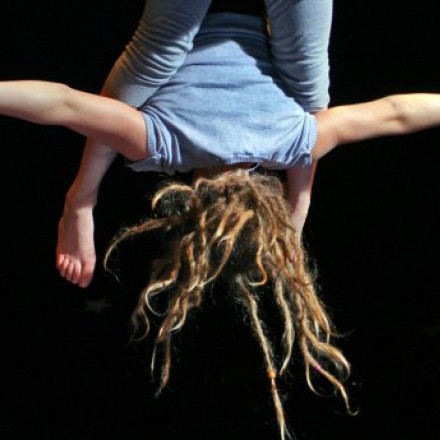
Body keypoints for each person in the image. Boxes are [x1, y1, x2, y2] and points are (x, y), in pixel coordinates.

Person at [2, 4, 440, 440]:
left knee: (313, 104)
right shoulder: (161, 143)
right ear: (188, 203)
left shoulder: (294, 140)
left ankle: (82, 200)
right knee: (125, 93)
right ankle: (81, 199)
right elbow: (62, 103)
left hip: (273, 30)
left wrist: (295, 223)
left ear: (267, 197)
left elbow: (396, 112)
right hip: (194, 25)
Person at [56, 0, 333, 289]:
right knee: (310, 97)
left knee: (148, 64)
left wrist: (296, 215)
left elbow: (78, 108)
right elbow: (73, 107)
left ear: (193, 193)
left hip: (194, 28)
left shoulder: (166, 144)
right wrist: (295, 218)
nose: (225, 184)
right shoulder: (287, 143)